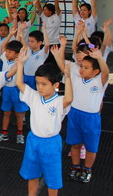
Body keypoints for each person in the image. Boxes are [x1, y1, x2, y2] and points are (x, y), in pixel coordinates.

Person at [16, 47, 73, 196]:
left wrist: (68, 77)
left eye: (44, 84)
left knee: (52, 177)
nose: (39, 87)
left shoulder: (59, 101)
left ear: (56, 85)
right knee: (32, 174)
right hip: (33, 140)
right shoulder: (34, 96)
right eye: (38, 83)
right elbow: (20, 85)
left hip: (51, 143)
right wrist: (20, 64)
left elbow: (69, 99)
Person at [62, 48, 109, 183]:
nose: (82, 69)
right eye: (82, 66)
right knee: (75, 144)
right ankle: (75, 167)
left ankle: (87, 169)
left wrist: (99, 58)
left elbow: (106, 72)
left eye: (86, 68)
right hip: (75, 114)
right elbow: (62, 66)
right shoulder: (77, 78)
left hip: (91, 119)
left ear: (95, 72)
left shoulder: (99, 81)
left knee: (90, 147)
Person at [0, 35, 27, 144]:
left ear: (17, 54)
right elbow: (3, 45)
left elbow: (25, 49)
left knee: (19, 114)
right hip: (6, 90)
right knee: (6, 112)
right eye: (7, 51)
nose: (7, 53)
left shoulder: (20, 61)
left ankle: (20, 133)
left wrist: (21, 35)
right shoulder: (5, 58)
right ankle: (4, 133)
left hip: (16, 90)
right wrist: (11, 33)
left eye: (10, 52)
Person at [19, 24, 50, 90]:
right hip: (25, 77)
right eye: (29, 41)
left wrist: (44, 29)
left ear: (40, 43)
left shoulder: (42, 53)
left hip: (35, 78)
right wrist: (21, 30)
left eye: (32, 41)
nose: (29, 43)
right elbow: (23, 41)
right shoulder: (28, 50)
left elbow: (47, 44)